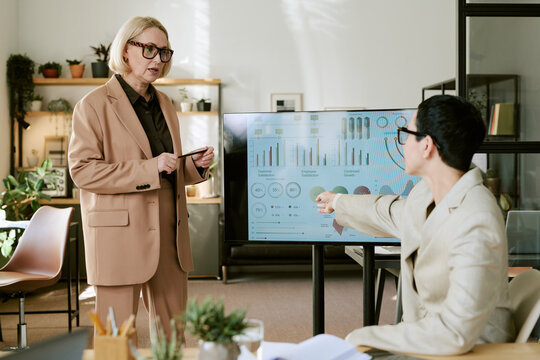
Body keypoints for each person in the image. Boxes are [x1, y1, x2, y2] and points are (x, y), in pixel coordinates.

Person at [316, 95, 515, 355]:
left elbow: (455, 334)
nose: (404, 143)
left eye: (407, 134)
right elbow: (390, 212)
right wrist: (338, 201)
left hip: (471, 352)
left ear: (427, 146)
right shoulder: (429, 194)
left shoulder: (477, 219)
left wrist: (362, 334)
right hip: (427, 339)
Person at [68, 16, 214, 337]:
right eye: (148, 49)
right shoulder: (92, 105)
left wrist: (195, 167)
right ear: (125, 52)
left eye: (164, 52)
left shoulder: (166, 103)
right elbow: (83, 171)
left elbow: (167, 168)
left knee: (173, 337)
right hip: (118, 237)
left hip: (169, 236)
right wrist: (151, 168)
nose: (158, 60)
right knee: (117, 341)